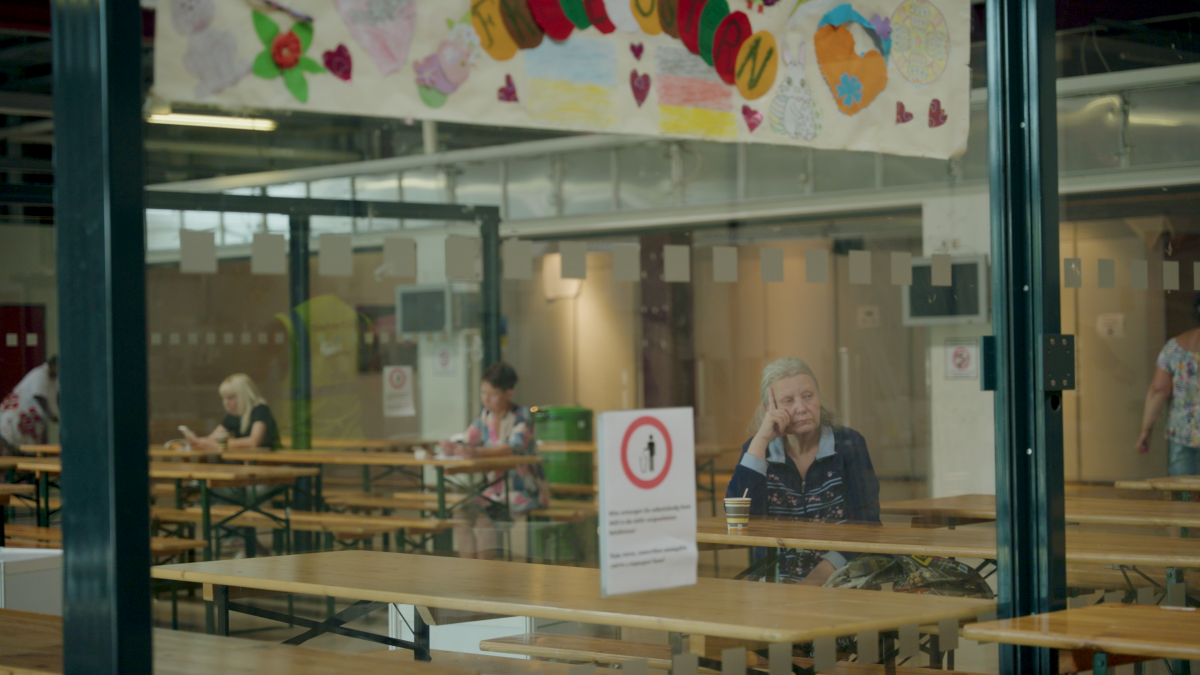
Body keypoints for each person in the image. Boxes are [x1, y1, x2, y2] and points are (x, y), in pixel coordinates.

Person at [726, 357, 880, 585]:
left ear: (819, 399)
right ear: (770, 409)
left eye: (808, 396)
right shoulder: (758, 450)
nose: (801, 408)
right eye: (788, 400)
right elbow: (738, 521)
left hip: (841, 579)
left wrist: (817, 577)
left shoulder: (849, 444)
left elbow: (868, 524)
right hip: (773, 582)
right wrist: (761, 438)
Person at [441, 362, 548, 559]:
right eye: (483, 393)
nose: (486, 399)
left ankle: (485, 580)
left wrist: (477, 452)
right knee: (460, 516)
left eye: (492, 394)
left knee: (484, 522)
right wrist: (454, 446)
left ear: (509, 394)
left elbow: (513, 448)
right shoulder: (485, 416)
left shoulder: (522, 416)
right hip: (495, 491)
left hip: (523, 488)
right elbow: (468, 439)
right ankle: (469, 573)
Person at [1136, 294, 1200, 477]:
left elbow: (1158, 390)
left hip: (1182, 434)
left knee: (1184, 496)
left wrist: (1146, 430)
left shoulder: (1174, 346)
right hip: (1182, 434)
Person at [185, 373, 280, 451]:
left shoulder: (260, 409)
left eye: (230, 398)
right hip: (245, 461)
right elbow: (212, 439)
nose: (226, 403)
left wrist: (219, 444)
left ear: (243, 396)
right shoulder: (234, 415)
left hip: (266, 461)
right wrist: (197, 441)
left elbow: (253, 442)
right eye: (224, 398)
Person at [0, 357, 59, 455]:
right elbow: (39, 396)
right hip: (16, 416)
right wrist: (51, 415)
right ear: (53, 366)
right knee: (8, 444)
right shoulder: (40, 374)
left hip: (29, 420)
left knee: (24, 450)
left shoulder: (54, 379)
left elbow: (57, 397)